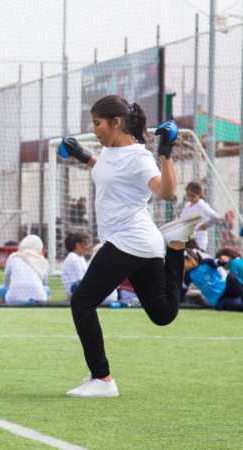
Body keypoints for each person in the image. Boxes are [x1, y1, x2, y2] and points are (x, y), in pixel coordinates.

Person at [58, 94, 204, 398]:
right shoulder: (108, 150)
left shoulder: (139, 157)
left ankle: (103, 380)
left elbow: (165, 191)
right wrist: (82, 154)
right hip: (144, 242)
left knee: (82, 301)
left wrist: (166, 152)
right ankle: (176, 244)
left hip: (128, 239)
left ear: (115, 123)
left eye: (97, 123)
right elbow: (109, 172)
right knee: (163, 314)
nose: (94, 128)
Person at [0, 235, 51, 304]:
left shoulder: (13, 257)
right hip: (40, 299)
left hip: (13, 300)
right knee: (47, 289)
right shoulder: (43, 261)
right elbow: (44, 283)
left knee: (1, 289)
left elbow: (6, 282)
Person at [180, 180, 219, 252]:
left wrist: (204, 226)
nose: (190, 198)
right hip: (188, 240)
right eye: (188, 195)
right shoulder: (187, 205)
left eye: (193, 196)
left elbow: (215, 217)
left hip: (199, 240)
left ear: (200, 193)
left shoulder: (202, 205)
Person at [61, 233, 90, 299]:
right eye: (86, 244)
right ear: (78, 245)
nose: (88, 247)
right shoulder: (73, 258)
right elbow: (81, 280)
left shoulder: (81, 257)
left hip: (80, 286)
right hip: (73, 289)